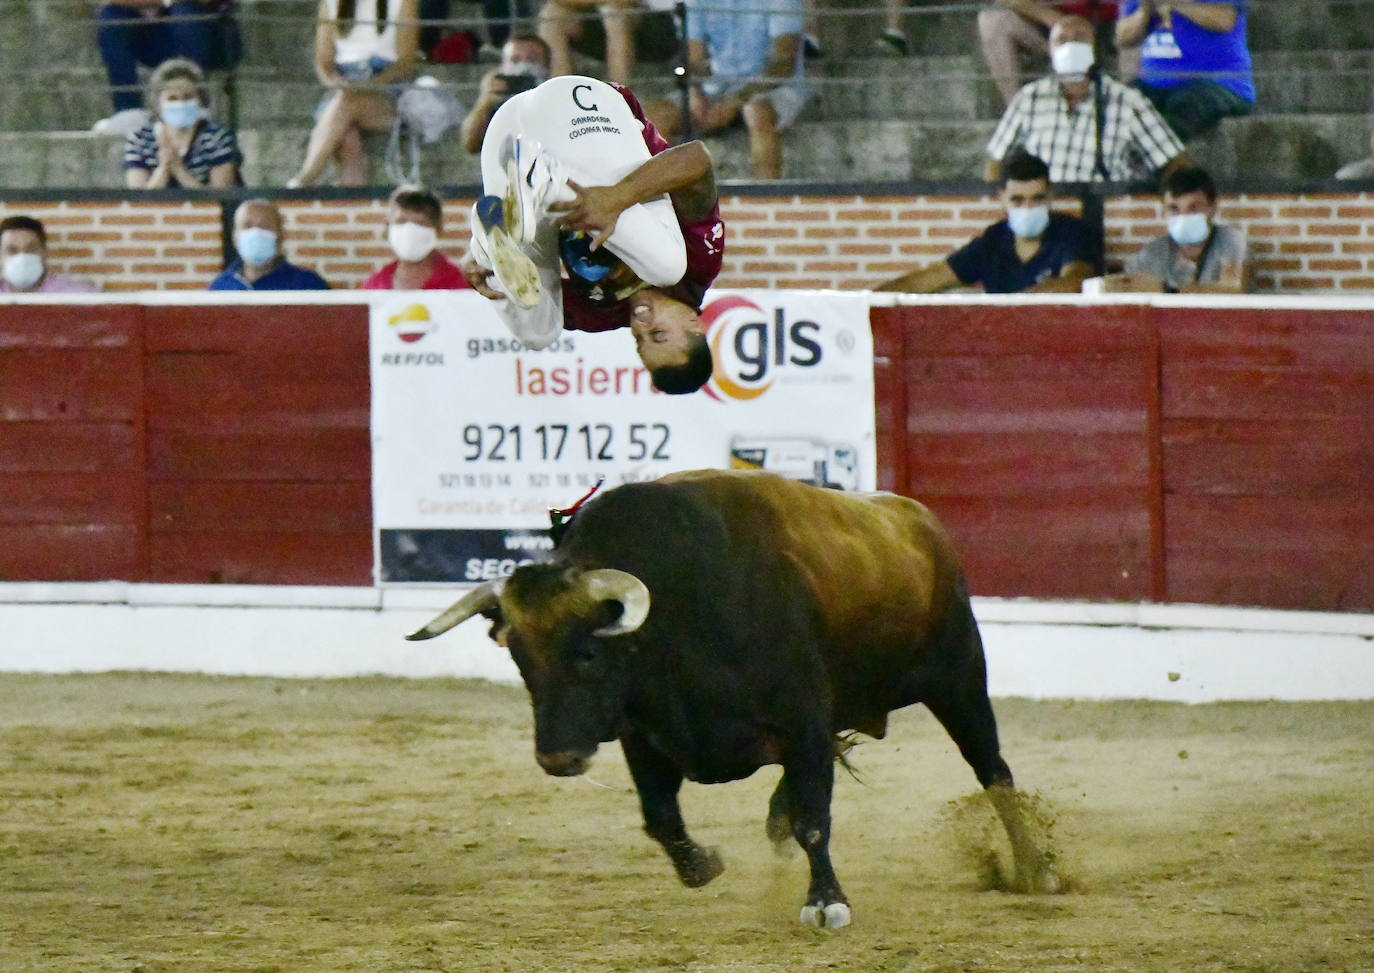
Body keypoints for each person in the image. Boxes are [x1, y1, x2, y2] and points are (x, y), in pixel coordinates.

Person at [461, 75, 723, 395]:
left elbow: (532, 289)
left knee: (540, 332)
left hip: (507, 131)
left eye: (639, 341)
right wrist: (617, 197)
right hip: (583, 111)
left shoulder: (600, 314)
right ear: (695, 324)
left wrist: (485, 270)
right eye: (658, 334)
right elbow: (695, 159)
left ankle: (491, 238)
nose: (640, 327)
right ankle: (549, 186)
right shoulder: (700, 266)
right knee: (667, 268)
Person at [985, 15, 1188, 183]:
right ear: (1051, 50)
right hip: (1047, 215)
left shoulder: (1127, 101)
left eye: (1079, 39)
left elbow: (1175, 161)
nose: (1070, 46)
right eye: (1062, 40)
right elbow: (996, 159)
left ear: (1094, 48)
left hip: (1103, 216)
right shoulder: (1030, 98)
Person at [876, 152, 1096, 295]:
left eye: (1037, 199)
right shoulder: (993, 241)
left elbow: (1077, 279)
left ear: (1050, 197)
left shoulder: (1071, 233)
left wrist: (1013, 308)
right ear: (1002, 198)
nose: (1028, 208)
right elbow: (929, 279)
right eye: (1017, 200)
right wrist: (865, 303)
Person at [651, 0, 810, 181]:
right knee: (655, 117)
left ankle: (767, 200)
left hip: (773, 85)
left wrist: (734, 102)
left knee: (756, 112)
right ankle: (659, 202)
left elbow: (783, 63)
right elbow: (693, 60)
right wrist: (695, 92)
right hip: (717, 85)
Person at [289, 0, 421, 188]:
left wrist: (368, 86)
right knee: (347, 137)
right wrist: (337, 82)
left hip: (386, 87)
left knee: (346, 103)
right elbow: (323, 63)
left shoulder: (403, 2)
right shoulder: (330, 3)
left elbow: (404, 64)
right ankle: (354, 199)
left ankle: (305, 178)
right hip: (343, 86)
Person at [93, 0, 241, 135]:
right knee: (112, 14)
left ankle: (195, 103)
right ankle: (129, 111)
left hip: (211, 35)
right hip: (161, 34)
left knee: (184, 8)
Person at [1115, 0, 1253, 141]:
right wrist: (1144, 12)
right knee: (1118, 103)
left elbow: (1224, 20)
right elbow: (1122, 38)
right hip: (1154, 83)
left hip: (1221, 83)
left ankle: (1165, 159)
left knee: (1183, 105)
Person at [1098, 166, 1251, 293]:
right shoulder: (1152, 253)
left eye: (1194, 208)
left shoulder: (1231, 240)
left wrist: (1166, 291)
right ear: (1163, 211)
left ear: (1212, 208)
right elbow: (1128, 289)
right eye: (1174, 209)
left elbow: (1232, 290)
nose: (1184, 216)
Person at [124, 57, 241, 189]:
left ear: (201, 100)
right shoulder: (140, 140)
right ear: (157, 103)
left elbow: (221, 196)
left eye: (188, 97)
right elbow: (137, 200)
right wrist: (163, 169)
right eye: (172, 98)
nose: (180, 103)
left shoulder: (217, 138)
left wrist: (179, 170)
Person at [978, 0, 1120, 105]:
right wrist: (1052, 18)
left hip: (1102, 28)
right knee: (992, 19)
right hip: (1049, 26)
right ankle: (1017, 113)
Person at [360, 185, 473, 290]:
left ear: (437, 229)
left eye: (420, 223)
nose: (409, 230)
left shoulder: (461, 282)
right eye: (401, 221)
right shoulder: (374, 285)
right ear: (388, 226)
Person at [538, 0, 678, 85]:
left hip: (660, 20)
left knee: (614, 14)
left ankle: (617, 96)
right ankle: (558, 93)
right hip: (599, 10)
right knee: (551, 14)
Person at [460, 34, 552, 155]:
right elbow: (470, 145)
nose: (523, 67)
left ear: (546, 67)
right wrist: (485, 102)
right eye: (515, 60)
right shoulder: (496, 98)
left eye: (531, 60)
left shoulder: (554, 99)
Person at [209, 200, 331, 291]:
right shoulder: (220, 287)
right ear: (235, 237)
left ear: (280, 236)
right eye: (247, 226)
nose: (255, 232)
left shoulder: (308, 284)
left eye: (265, 226)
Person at [0, 217, 99, 294]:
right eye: (12, 250)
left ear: (44, 252)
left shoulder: (78, 296)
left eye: (31, 249)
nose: (22, 257)